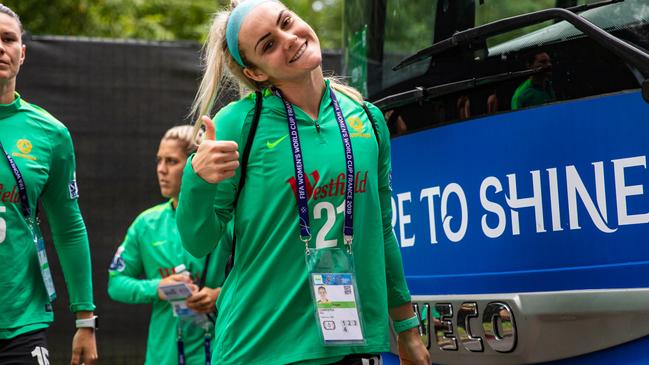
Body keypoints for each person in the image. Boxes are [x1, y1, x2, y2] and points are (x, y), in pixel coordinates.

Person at [176, 1, 431, 364]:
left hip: (353, 345)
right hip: (261, 348)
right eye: (268, 44)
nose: (289, 39)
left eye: (286, 22)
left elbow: (382, 232)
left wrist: (407, 330)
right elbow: (198, 242)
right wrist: (196, 177)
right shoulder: (237, 125)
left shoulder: (368, 120)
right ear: (256, 72)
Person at [0, 4, 97, 365]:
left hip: (21, 322)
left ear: (22, 53)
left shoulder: (51, 134)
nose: (1, 47)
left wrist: (85, 318)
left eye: (8, 39)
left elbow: (69, 227)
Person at [108, 125, 230, 365]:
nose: (161, 170)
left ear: (195, 164)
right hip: (164, 356)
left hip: (219, 352)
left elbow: (253, 276)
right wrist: (157, 288)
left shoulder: (224, 218)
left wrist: (219, 295)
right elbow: (116, 283)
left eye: (172, 161)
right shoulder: (146, 224)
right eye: (159, 161)